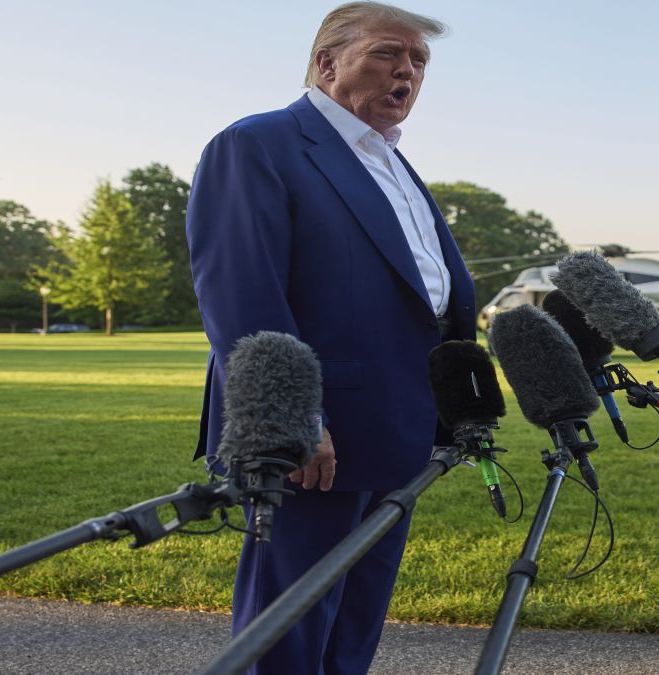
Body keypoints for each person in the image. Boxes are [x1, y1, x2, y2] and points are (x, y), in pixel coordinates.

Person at [185, 3, 473, 673]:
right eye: (386, 53)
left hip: (398, 429)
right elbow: (242, 294)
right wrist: (296, 418)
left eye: (419, 62)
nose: (407, 71)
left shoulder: (395, 166)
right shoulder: (258, 144)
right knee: (287, 627)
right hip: (316, 441)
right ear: (326, 63)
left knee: (352, 624)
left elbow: (427, 293)